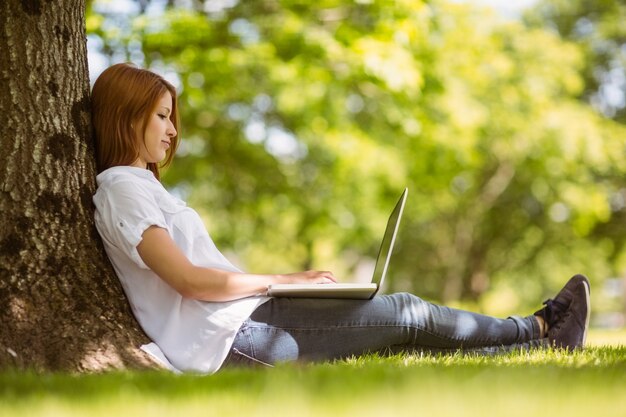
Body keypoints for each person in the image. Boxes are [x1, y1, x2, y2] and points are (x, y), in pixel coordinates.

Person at [91, 63, 591, 374]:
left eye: (170, 116)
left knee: (400, 343)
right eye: (161, 115)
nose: (173, 129)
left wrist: (287, 289)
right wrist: (282, 280)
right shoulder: (120, 188)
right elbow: (189, 281)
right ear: (125, 115)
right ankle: (539, 326)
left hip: (245, 327)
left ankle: (547, 345)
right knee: (406, 313)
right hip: (233, 339)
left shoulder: (144, 187)